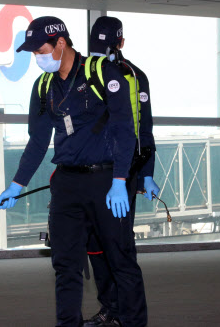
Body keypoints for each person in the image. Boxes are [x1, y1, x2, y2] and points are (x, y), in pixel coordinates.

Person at [0, 16, 142, 326]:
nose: (38, 58)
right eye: (34, 53)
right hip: (66, 184)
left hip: (106, 181)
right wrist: (17, 184)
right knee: (65, 264)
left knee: (120, 259)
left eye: (41, 50)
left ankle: (133, 322)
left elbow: (124, 130)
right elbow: (37, 142)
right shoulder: (43, 86)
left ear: (61, 43)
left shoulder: (102, 72)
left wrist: (119, 180)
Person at [84, 16, 160, 327]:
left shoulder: (134, 77)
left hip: (122, 172)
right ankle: (111, 308)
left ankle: (131, 317)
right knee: (94, 244)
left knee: (119, 245)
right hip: (86, 173)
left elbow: (143, 128)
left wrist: (146, 174)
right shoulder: (80, 73)